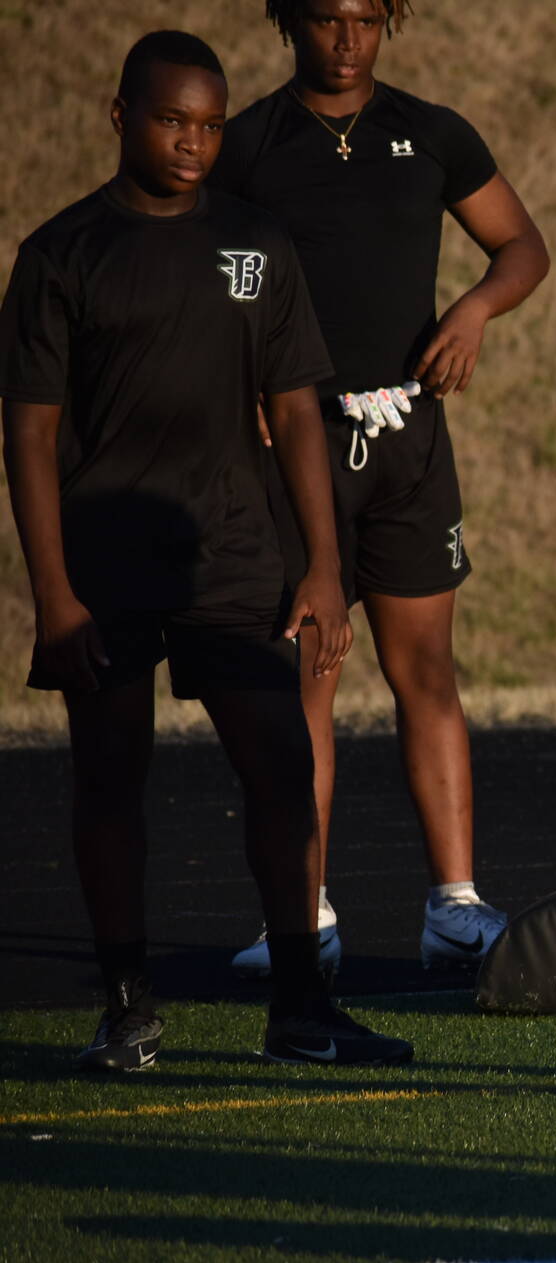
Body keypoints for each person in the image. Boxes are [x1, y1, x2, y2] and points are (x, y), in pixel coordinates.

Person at [0, 30, 413, 1068]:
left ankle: (300, 1006)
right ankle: (129, 1003)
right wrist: (51, 594)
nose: (192, 142)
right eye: (172, 121)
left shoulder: (255, 244)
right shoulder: (62, 255)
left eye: (210, 125)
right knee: (109, 779)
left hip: (233, 552)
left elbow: (299, 412)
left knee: (280, 763)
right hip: (104, 562)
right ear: (120, 118)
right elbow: (30, 433)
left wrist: (322, 565)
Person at [210, 0, 549, 978]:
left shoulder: (431, 132)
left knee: (427, 674)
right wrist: (248, 389)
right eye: (324, 17)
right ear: (288, 21)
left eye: (366, 17)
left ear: (389, 20)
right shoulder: (247, 146)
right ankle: (302, 918)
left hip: (407, 440)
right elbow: (205, 278)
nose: (346, 38)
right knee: (307, 678)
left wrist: (477, 310)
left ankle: (455, 907)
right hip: (297, 447)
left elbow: (521, 247)